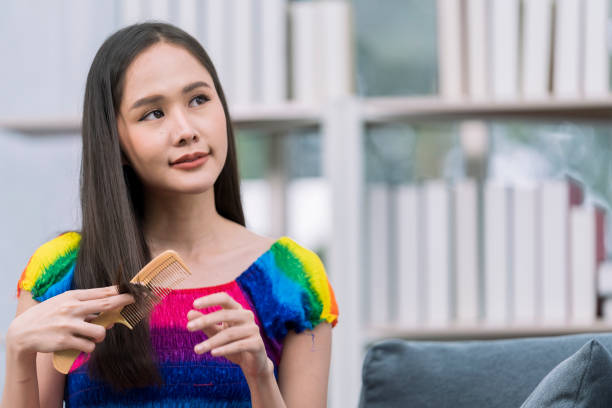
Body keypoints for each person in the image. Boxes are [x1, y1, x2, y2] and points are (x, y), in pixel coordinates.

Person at [2, 22, 339, 408]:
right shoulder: (60, 271)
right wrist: (18, 355)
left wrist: (260, 374)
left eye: (198, 100)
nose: (185, 130)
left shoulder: (290, 279)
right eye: (153, 113)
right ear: (117, 143)